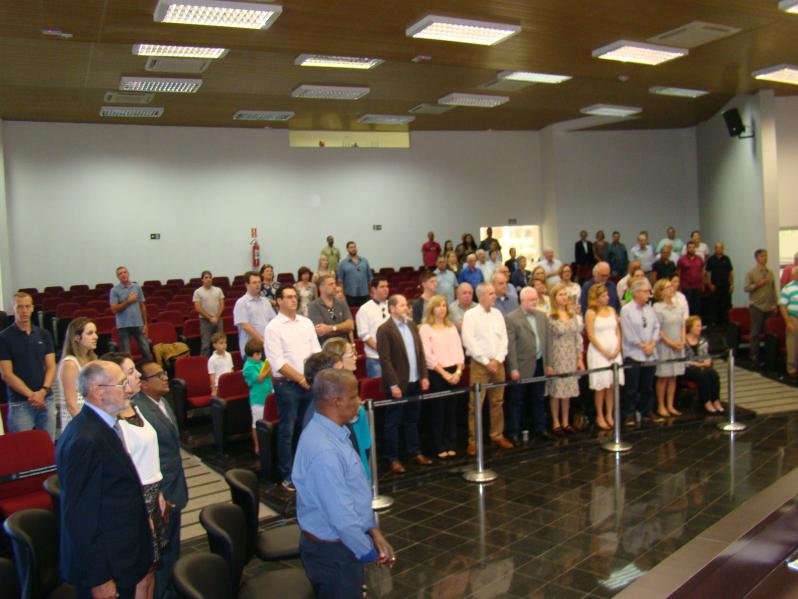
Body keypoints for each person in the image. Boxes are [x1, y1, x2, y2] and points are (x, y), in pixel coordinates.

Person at [293, 369, 395, 598]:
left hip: (342, 545)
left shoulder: (333, 433)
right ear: (337, 401)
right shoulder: (325, 451)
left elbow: (353, 494)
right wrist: (369, 552)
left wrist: (373, 532)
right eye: (354, 396)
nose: (359, 401)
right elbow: (343, 519)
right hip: (334, 555)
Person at [57, 361, 153, 599]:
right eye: (121, 384)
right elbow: (80, 516)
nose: (128, 389)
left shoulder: (102, 426)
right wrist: (99, 578)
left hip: (121, 555)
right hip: (108, 565)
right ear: (98, 391)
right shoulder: (85, 440)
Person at [126, 357, 187, 599]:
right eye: (158, 375)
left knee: (173, 546)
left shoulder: (162, 401)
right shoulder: (140, 410)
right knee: (161, 551)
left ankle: (174, 586)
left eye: (164, 373)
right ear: (144, 384)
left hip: (175, 483)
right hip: (162, 489)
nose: (165, 377)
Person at [265, 286, 321, 491]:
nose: (293, 300)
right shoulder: (273, 327)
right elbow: (277, 362)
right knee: (287, 431)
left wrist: (312, 377)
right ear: (278, 301)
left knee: (308, 430)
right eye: (288, 297)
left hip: (309, 383)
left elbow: (316, 352)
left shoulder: (306, 323)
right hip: (287, 385)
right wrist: (300, 379)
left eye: (295, 297)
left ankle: (308, 469)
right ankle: (287, 475)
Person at [377, 294, 432, 474]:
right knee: (393, 423)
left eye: (406, 305)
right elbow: (385, 360)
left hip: (414, 380)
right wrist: (393, 385)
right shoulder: (384, 329)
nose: (406, 308)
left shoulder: (412, 325)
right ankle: (393, 458)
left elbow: (420, 353)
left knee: (412, 419)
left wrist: (424, 375)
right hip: (398, 384)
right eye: (401, 305)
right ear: (392, 309)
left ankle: (415, 451)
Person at [461, 283, 513, 455]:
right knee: (476, 403)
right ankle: (473, 440)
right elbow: (469, 341)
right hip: (479, 365)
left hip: (498, 363)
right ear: (481, 296)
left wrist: (498, 359)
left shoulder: (497, 314)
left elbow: (504, 339)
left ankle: (497, 435)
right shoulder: (471, 315)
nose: (494, 296)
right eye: (490, 293)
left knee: (498, 401)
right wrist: (485, 361)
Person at [0, 291, 56, 437]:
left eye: (27, 306)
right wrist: (32, 395)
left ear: (32, 308)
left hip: (46, 399)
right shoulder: (4, 338)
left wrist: (43, 391)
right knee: (22, 447)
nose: (24, 310)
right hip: (20, 403)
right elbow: (6, 374)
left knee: (48, 445)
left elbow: (51, 366)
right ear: (13, 308)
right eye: (20, 307)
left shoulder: (44, 334)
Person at [418, 295, 464, 459]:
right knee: (438, 411)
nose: (442, 308)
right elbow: (427, 356)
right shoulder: (425, 329)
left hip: (454, 372)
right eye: (438, 306)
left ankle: (451, 442)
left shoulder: (451, 327)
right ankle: (438, 445)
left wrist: (457, 372)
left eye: (444, 305)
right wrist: (445, 374)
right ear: (432, 309)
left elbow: (459, 352)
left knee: (451, 411)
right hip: (436, 373)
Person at [320, 337, 371, 479]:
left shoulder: (348, 381)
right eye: (350, 355)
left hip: (359, 443)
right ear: (338, 360)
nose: (355, 358)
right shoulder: (334, 390)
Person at [505, 287, 550, 443]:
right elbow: (511, 347)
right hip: (522, 365)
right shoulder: (511, 318)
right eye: (531, 300)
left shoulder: (542, 316)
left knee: (539, 398)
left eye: (535, 299)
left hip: (539, 362)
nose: (534, 302)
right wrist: (513, 368)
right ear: (522, 300)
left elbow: (547, 341)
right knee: (516, 401)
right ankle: (514, 432)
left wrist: (548, 363)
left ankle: (540, 428)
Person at [620, 279, 661, 426]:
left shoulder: (650, 309)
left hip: (650, 353)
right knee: (631, 387)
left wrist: (653, 344)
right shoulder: (626, 310)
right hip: (634, 353)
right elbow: (628, 333)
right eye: (645, 291)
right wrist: (643, 346)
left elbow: (656, 327)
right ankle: (629, 414)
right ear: (636, 293)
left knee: (647, 386)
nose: (648, 294)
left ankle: (646, 411)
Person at [545, 283, 583, 435]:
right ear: (554, 298)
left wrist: (579, 358)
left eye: (565, 294)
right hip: (557, 355)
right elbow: (547, 341)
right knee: (557, 390)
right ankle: (556, 422)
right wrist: (549, 362)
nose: (564, 297)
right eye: (560, 294)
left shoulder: (572, 315)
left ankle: (566, 421)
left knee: (567, 390)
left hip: (571, 355)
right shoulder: (550, 316)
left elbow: (577, 338)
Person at [585, 284, 623, 431]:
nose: (607, 297)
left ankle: (609, 414)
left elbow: (617, 331)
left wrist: (618, 348)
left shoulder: (612, 310)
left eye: (607, 295)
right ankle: (600, 415)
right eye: (604, 296)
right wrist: (604, 352)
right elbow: (591, 335)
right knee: (601, 386)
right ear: (596, 297)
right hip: (598, 353)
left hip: (614, 352)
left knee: (612, 385)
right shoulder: (591, 313)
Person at [54, 317, 98, 434]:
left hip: (92, 417)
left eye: (95, 332)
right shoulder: (70, 364)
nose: (96, 337)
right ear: (77, 338)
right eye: (90, 333)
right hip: (78, 423)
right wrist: (89, 427)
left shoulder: (92, 360)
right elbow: (71, 405)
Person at [652, 278, 686, 418]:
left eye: (671, 286)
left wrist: (682, 341)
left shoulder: (678, 306)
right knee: (664, 377)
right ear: (661, 291)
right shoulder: (657, 308)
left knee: (673, 376)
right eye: (667, 287)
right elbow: (658, 330)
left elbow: (682, 325)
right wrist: (671, 343)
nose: (671, 289)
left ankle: (670, 404)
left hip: (678, 345)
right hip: (664, 346)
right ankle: (661, 405)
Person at [744, 249, 779, 367]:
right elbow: (746, 288)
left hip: (769, 306)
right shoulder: (751, 273)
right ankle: (754, 355)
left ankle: (769, 356)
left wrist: (775, 304)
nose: (765, 258)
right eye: (762, 256)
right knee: (755, 332)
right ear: (757, 258)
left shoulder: (770, 272)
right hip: (757, 306)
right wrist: (758, 284)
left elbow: (773, 289)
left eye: (766, 256)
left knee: (769, 332)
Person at [110, 266, 153, 361]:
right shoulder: (114, 290)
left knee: (147, 352)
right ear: (118, 277)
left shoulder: (137, 287)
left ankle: (146, 369)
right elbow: (114, 309)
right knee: (126, 356)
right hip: (123, 326)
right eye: (120, 274)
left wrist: (145, 324)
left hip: (138, 324)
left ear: (128, 273)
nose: (123, 275)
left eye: (124, 272)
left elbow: (142, 306)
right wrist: (128, 301)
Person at [683, 316, 724, 412]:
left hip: (702, 366)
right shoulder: (683, 341)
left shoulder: (702, 340)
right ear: (690, 327)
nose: (700, 328)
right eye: (697, 326)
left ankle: (716, 400)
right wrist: (697, 365)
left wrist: (707, 360)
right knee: (703, 375)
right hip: (687, 368)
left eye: (700, 326)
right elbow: (683, 360)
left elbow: (705, 355)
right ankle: (706, 401)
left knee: (713, 374)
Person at [233, 271, 276, 352]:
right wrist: (263, 340)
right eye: (254, 282)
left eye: (259, 282)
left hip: (268, 346)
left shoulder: (266, 301)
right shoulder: (241, 303)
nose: (258, 285)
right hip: (251, 349)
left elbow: (274, 321)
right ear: (247, 285)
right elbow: (245, 326)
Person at [355, 277, 390, 378]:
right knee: (378, 387)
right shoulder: (364, 309)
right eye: (382, 287)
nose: (386, 289)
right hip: (375, 359)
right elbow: (364, 335)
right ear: (373, 289)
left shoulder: (392, 305)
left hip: (394, 357)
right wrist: (381, 349)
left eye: (387, 286)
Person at [242, 338, 273, 453]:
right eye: (257, 354)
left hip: (267, 394)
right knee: (256, 423)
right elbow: (259, 378)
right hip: (257, 399)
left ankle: (266, 445)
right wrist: (269, 368)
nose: (260, 356)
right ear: (250, 355)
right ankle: (257, 446)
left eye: (260, 353)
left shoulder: (261, 363)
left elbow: (269, 375)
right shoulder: (248, 367)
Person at [308, 274, 355, 344]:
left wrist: (332, 328)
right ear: (321, 287)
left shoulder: (341, 302)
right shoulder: (314, 306)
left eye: (334, 284)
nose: (334, 286)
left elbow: (350, 325)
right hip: (325, 345)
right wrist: (343, 328)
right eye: (331, 284)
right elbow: (321, 331)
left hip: (344, 344)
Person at [192, 270, 225, 356]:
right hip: (205, 321)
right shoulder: (198, 292)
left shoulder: (218, 290)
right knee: (205, 345)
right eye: (206, 277)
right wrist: (210, 318)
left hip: (218, 320)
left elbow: (222, 305)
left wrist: (216, 317)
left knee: (220, 343)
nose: (208, 279)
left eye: (210, 277)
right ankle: (204, 362)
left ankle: (221, 360)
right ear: (202, 280)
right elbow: (198, 308)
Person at [705, 243, 734, 325]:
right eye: (717, 248)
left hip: (725, 285)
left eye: (721, 248)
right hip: (715, 285)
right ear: (715, 249)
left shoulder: (727, 259)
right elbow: (708, 272)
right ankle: (714, 322)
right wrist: (710, 284)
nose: (719, 249)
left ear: (723, 249)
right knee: (714, 304)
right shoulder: (711, 259)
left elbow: (731, 272)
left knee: (725, 304)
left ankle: (724, 321)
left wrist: (732, 284)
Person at [338, 241, 372, 307]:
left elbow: (369, 278)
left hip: (365, 294)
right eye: (351, 247)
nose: (353, 249)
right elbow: (340, 281)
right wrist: (342, 295)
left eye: (354, 247)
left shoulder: (364, 261)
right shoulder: (343, 263)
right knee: (352, 312)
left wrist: (371, 292)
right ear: (347, 249)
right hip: (350, 295)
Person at [779, 266, 798, 381]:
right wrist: (788, 322)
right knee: (792, 345)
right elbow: (782, 306)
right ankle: (792, 370)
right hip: (793, 318)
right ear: (794, 274)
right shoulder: (788, 288)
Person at [677, 241, 704, 317]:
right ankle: (689, 321)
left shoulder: (699, 259)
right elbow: (678, 273)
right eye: (690, 247)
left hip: (698, 286)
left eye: (693, 247)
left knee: (698, 305)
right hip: (686, 286)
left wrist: (703, 284)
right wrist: (679, 286)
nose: (691, 249)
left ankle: (696, 321)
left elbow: (702, 271)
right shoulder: (682, 259)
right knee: (688, 305)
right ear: (687, 249)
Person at [207, 332, 233, 397]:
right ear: (214, 345)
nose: (224, 345)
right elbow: (212, 376)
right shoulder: (212, 359)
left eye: (225, 343)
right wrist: (214, 390)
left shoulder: (229, 355)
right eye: (221, 343)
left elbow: (231, 369)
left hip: (229, 384)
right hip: (219, 386)